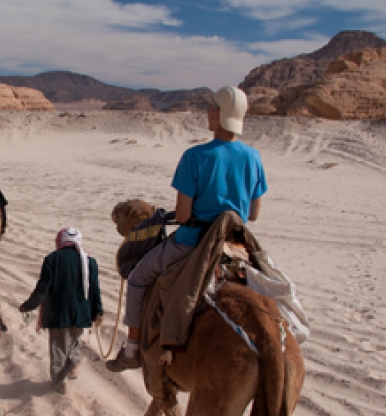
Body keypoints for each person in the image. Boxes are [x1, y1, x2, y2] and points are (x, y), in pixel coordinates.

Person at [105, 85, 268, 372]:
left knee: (139, 277)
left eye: (212, 108)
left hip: (193, 240)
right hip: (236, 242)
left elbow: (182, 215)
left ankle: (132, 348)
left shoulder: (195, 156)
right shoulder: (253, 157)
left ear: (219, 114)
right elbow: (252, 215)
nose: (208, 113)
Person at [19, 227, 103, 394]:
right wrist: (98, 311)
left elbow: (42, 289)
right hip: (81, 313)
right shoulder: (89, 261)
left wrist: (28, 305)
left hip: (57, 314)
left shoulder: (52, 259)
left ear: (61, 240)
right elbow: (95, 289)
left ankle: (59, 385)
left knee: (58, 349)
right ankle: (72, 368)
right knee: (74, 344)